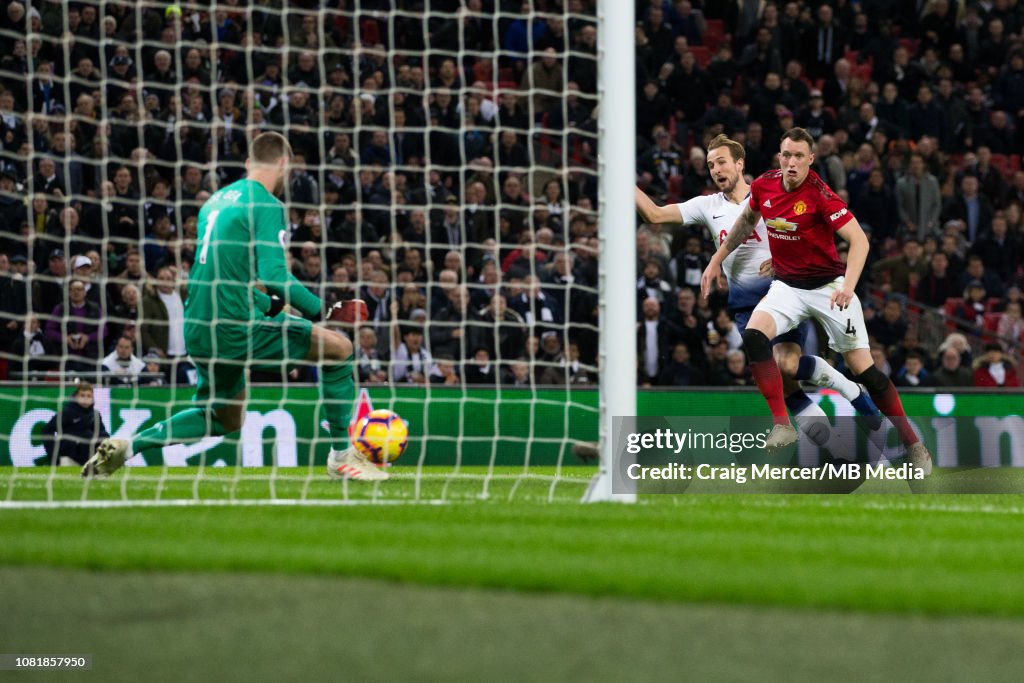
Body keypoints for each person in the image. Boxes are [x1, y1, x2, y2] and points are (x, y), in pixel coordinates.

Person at [83, 132, 385, 481]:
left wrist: (272, 309)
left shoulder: (215, 201)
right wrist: (325, 310)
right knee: (340, 349)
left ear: (247, 164)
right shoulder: (268, 204)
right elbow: (274, 274)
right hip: (233, 326)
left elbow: (226, 278)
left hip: (198, 326)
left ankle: (129, 445)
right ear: (285, 164)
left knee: (225, 417)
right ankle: (342, 458)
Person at [700, 127, 932, 474]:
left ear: (810, 159)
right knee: (753, 335)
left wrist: (848, 286)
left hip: (829, 288)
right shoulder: (764, 185)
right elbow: (747, 221)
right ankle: (782, 424)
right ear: (780, 157)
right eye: (785, 155)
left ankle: (913, 443)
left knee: (866, 372)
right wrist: (716, 260)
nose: (791, 162)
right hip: (787, 287)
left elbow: (860, 242)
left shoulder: (821, 195)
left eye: (798, 156)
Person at [636, 134, 883, 457]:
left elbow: (806, 233)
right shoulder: (706, 206)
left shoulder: (771, 193)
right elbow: (653, 215)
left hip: (783, 294)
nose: (716, 170)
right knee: (783, 380)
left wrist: (783, 259)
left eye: (722, 162)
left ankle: (848, 389)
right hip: (742, 304)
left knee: (787, 365)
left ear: (740, 164)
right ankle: (833, 449)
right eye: (711, 165)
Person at [41, 382, 109, 467]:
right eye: (82, 395)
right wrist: (54, 456)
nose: (85, 399)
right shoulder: (67, 413)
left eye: (89, 396)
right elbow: (47, 431)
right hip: (70, 452)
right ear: (76, 397)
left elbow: (102, 432)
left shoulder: (95, 415)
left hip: (90, 451)